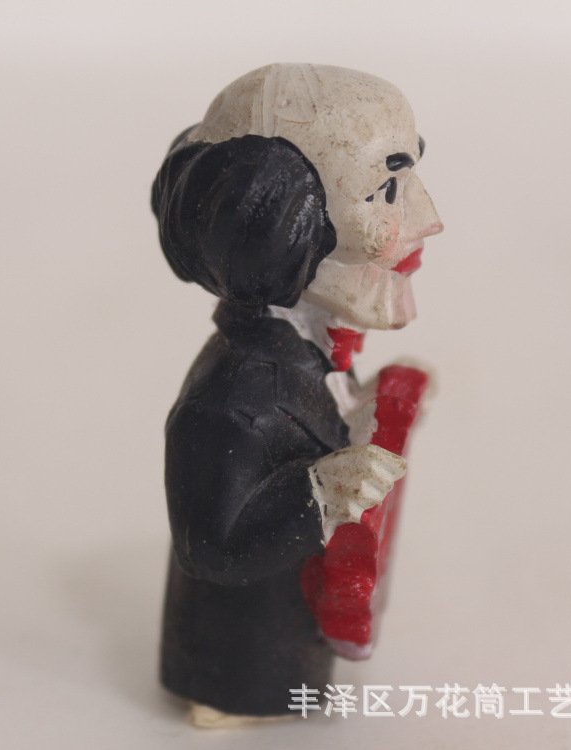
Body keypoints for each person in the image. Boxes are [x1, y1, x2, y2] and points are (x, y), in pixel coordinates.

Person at [151, 63, 443, 726]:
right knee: (248, 682)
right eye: (386, 188)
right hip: (242, 653)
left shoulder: (303, 352)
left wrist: (374, 408)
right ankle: (221, 701)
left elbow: (319, 416)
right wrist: (318, 495)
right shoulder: (228, 403)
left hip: (290, 633)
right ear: (276, 220)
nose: (429, 219)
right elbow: (208, 546)